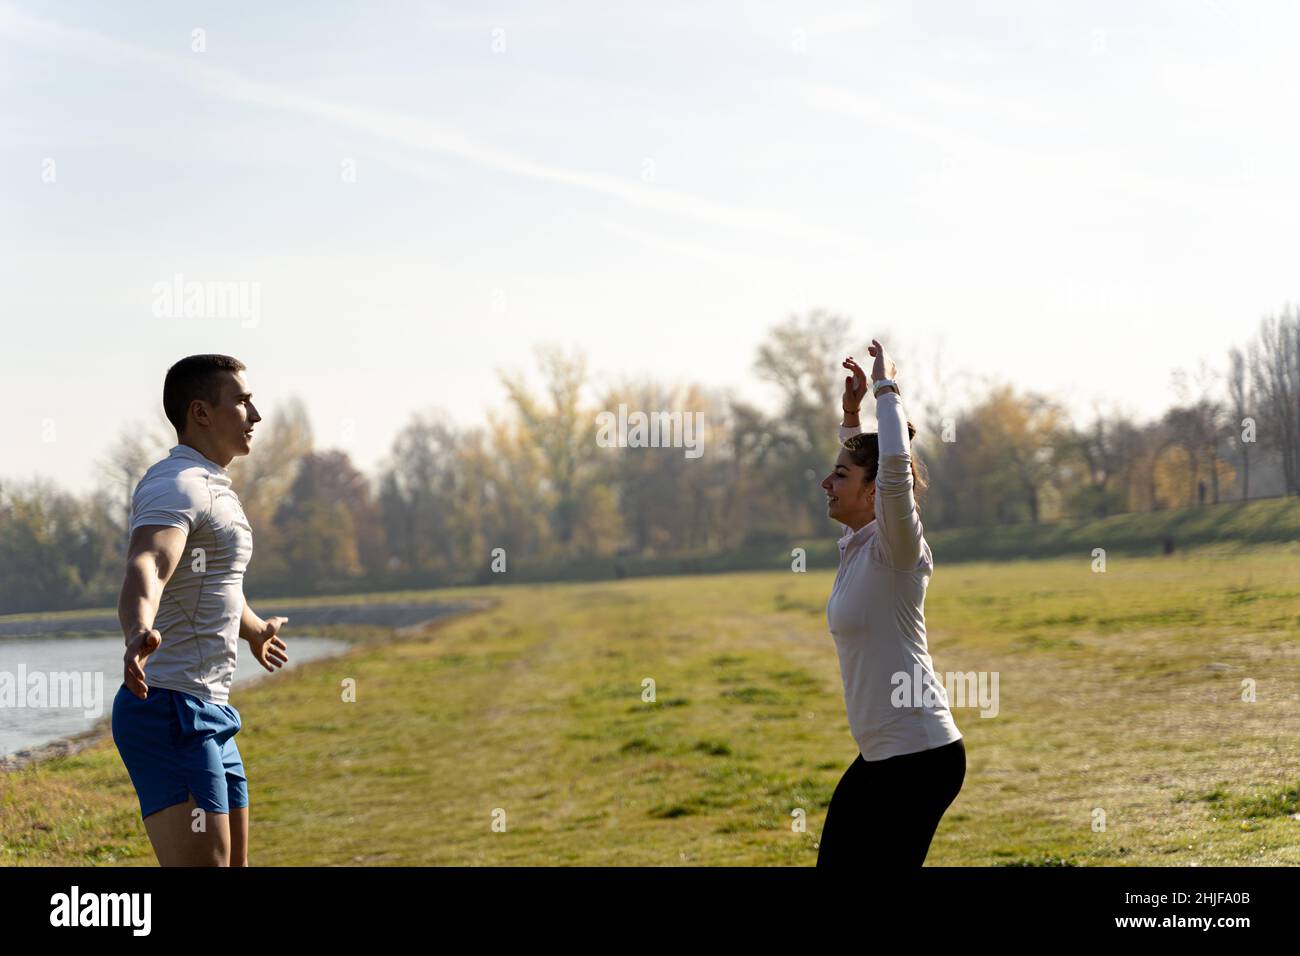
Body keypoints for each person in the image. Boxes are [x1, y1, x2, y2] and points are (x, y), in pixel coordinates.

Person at [111, 354, 289, 866]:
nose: (255, 415)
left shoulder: (215, 489)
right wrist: (138, 628)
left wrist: (253, 629)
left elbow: (215, 583)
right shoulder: (177, 484)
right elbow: (148, 562)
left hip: (208, 710)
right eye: (241, 401)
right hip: (170, 710)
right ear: (201, 413)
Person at [816, 341, 965, 868]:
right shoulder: (859, 546)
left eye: (840, 476)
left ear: (873, 491)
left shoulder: (896, 549)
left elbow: (893, 469)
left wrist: (886, 390)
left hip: (920, 759)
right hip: (883, 757)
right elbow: (873, 465)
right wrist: (851, 416)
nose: (826, 482)